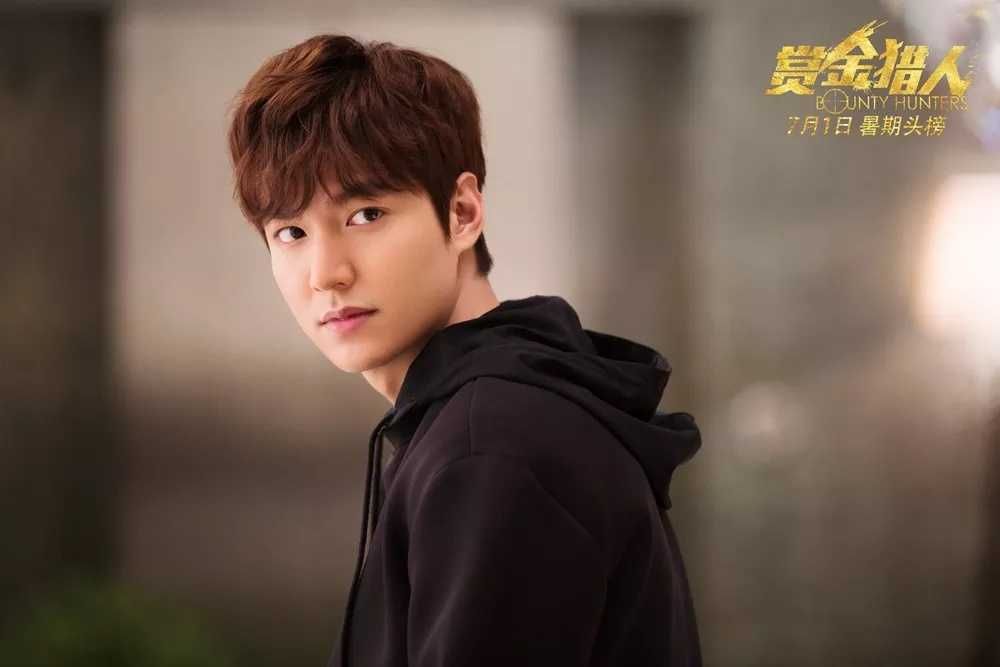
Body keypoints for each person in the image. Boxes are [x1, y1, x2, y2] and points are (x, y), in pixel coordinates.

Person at [226, 34, 703, 667]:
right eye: (291, 232)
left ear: (462, 212)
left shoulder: (492, 448)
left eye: (366, 215)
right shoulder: (488, 421)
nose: (326, 273)